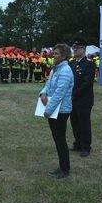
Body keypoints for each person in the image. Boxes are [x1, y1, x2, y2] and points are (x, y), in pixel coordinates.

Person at [39, 43, 74, 179]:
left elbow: (60, 93)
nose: (53, 56)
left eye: (56, 54)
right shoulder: (55, 69)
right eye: (53, 53)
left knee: (60, 139)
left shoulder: (65, 71)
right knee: (56, 138)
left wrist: (48, 110)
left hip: (61, 111)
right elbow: (48, 85)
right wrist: (42, 93)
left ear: (64, 56)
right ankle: (61, 166)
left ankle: (65, 169)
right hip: (54, 110)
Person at [70, 39, 95, 157]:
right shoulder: (72, 64)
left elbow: (87, 83)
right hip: (73, 99)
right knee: (74, 122)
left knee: (84, 123)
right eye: (74, 48)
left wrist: (74, 94)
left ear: (84, 49)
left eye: (77, 48)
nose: (74, 50)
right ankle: (77, 143)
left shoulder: (89, 64)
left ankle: (86, 146)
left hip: (84, 99)